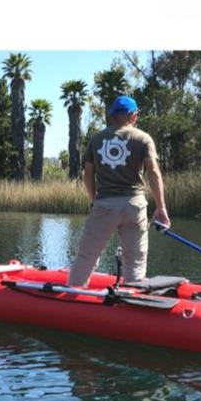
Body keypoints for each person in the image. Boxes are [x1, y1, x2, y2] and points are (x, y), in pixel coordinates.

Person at [67, 95, 170, 287]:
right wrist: (161, 207)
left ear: (112, 116)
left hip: (105, 204)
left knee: (86, 257)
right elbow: (154, 172)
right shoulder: (143, 138)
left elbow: (87, 175)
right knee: (135, 262)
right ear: (134, 116)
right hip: (135, 206)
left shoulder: (96, 139)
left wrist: (93, 200)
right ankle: (132, 299)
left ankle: (73, 294)